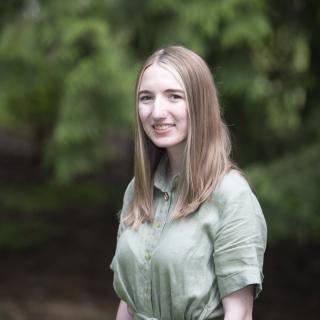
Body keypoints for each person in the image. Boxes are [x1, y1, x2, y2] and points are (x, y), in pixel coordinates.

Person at [110, 45, 267, 320]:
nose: (157, 112)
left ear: (199, 103)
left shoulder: (231, 195)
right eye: (146, 97)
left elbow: (239, 314)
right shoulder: (137, 189)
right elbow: (128, 303)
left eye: (174, 96)